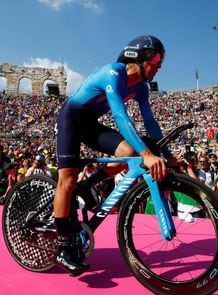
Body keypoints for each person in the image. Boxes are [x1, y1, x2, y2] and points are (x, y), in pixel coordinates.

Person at [53, 35, 173, 276]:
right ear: (139, 58)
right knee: (67, 178)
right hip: (70, 118)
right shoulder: (113, 73)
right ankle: (63, 247)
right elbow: (119, 115)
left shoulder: (141, 87)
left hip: (90, 124)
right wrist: (147, 153)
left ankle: (88, 185)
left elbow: (149, 121)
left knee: (128, 154)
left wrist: (168, 154)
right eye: (156, 59)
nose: (159, 66)